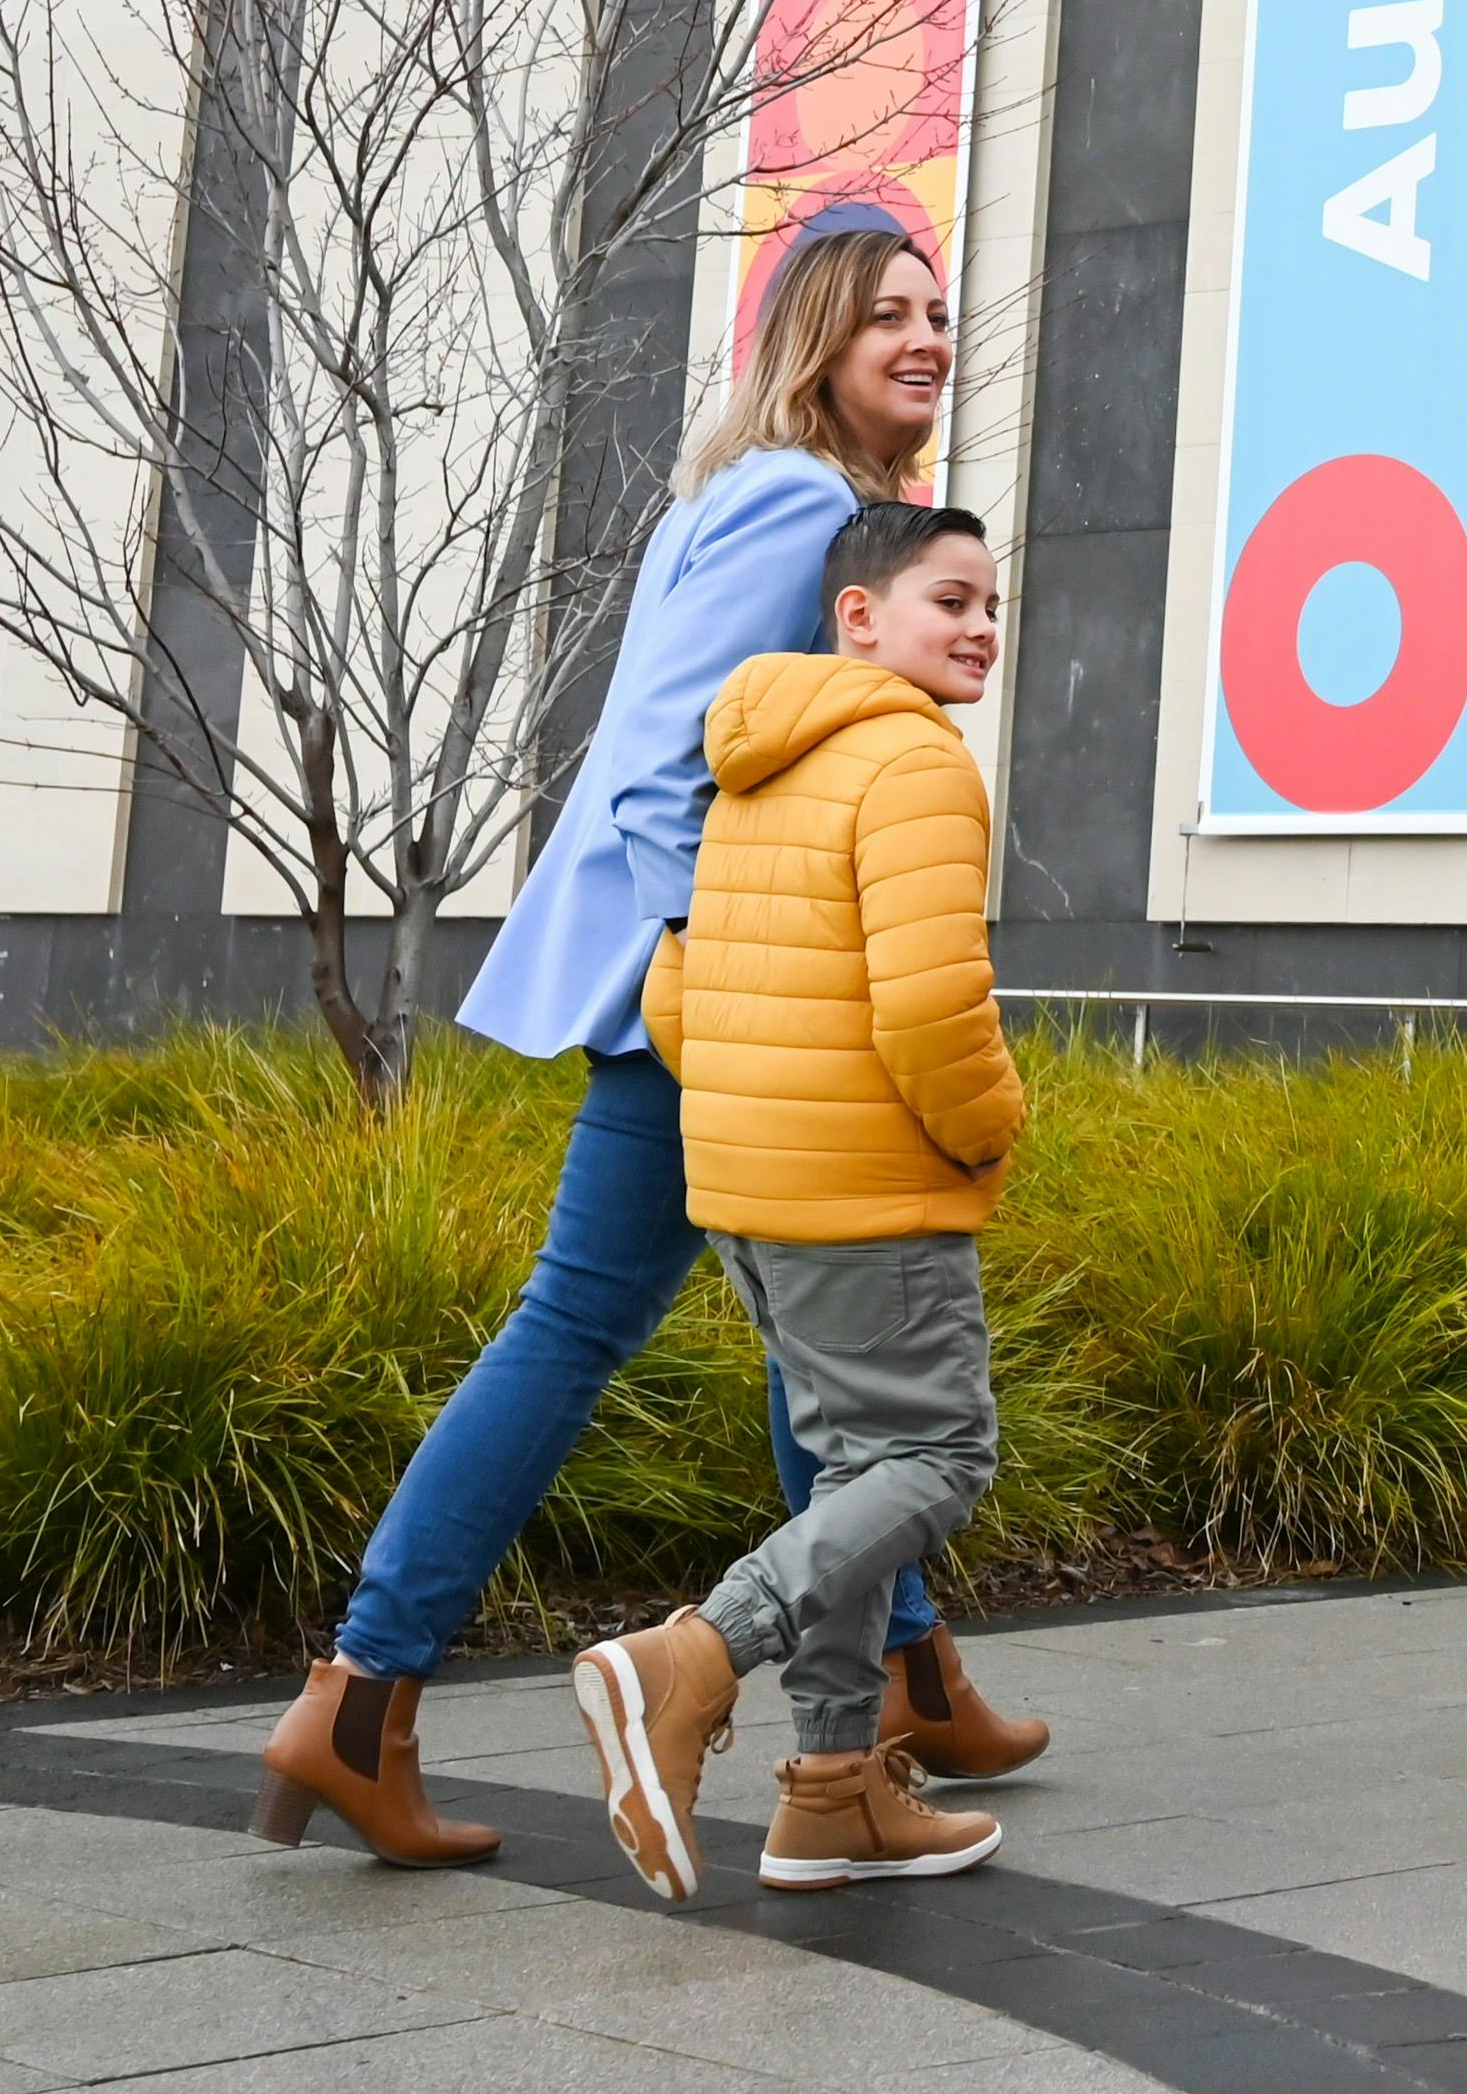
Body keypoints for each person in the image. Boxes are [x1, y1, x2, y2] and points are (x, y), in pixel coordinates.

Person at [252, 204, 1046, 1865]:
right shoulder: (796, 501)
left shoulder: (797, 495)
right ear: (814, 336)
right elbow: (662, 760)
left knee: (803, 1346)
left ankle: (904, 1682)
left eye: (933, 312)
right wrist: (714, 963)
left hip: (709, 992)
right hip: (697, 997)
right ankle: (365, 1687)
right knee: (592, 1325)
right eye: (886, 313)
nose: (924, 336)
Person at [573, 500, 1024, 1898]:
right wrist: (988, 1134)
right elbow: (934, 1007)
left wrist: (760, 1111)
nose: (981, 628)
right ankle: (693, 1655)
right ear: (859, 616)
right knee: (939, 1458)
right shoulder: (916, 760)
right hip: (869, 1189)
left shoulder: (758, 760)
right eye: (950, 599)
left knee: (852, 1475)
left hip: (750, 1187)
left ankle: (832, 1792)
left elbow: (678, 983)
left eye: (992, 605)